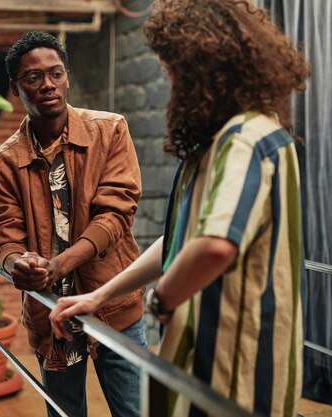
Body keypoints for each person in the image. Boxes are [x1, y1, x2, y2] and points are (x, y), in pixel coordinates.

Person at [49, 1, 310, 416]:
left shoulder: (245, 139)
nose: (168, 79)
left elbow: (213, 246)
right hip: (199, 360)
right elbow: (180, 240)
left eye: (173, 68)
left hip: (235, 370)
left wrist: (160, 301)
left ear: (203, 69)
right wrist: (99, 295)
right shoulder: (216, 145)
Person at [0, 31, 146, 417]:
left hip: (111, 302)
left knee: (135, 411)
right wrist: (16, 265)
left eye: (55, 73)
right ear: (15, 86)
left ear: (67, 77)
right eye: (33, 77)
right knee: (65, 413)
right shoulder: (4, 162)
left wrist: (60, 264)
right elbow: (4, 235)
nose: (47, 85)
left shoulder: (110, 131)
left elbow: (117, 212)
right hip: (50, 315)